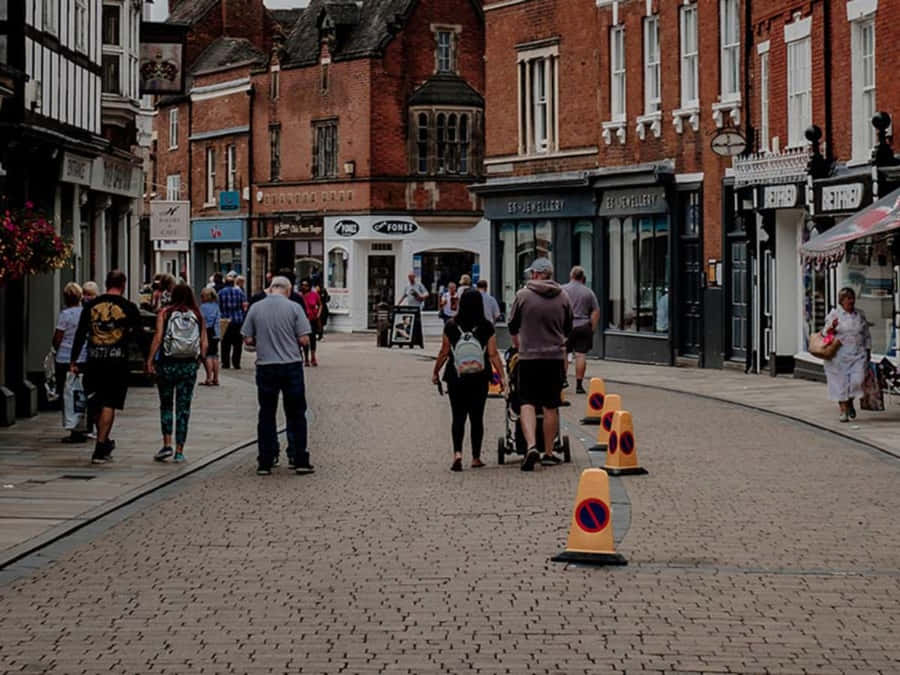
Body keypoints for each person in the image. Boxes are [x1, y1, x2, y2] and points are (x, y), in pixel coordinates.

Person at [242, 276, 314, 476]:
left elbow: (248, 339)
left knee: (266, 413)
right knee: (296, 413)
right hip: (290, 365)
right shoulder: (294, 308)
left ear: (270, 289)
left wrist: (261, 343)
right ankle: (299, 458)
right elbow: (304, 339)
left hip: (266, 365)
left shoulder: (256, 308)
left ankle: (266, 459)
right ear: (288, 290)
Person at [507, 258, 573, 471]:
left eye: (532, 273)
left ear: (536, 274)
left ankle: (531, 446)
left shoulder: (522, 296)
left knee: (526, 402)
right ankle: (548, 452)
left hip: (528, 358)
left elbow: (512, 325)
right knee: (551, 405)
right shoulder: (563, 296)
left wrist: (519, 343)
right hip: (553, 358)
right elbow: (568, 326)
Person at [70, 270, 141, 464]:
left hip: (93, 361)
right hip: (116, 363)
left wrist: (74, 360)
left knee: (95, 400)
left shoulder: (91, 306)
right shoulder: (129, 307)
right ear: (123, 284)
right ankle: (100, 447)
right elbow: (138, 336)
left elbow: (80, 334)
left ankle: (103, 439)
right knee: (109, 403)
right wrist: (148, 360)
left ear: (106, 282)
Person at [433, 289, 505, 472]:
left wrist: (435, 372)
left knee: (458, 417)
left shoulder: (451, 325)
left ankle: (457, 454)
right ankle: (476, 457)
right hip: (479, 377)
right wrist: (502, 376)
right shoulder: (486, 326)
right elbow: (493, 353)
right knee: (477, 417)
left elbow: (444, 351)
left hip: (456, 376)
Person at [146, 284, 207, 463]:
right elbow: (204, 343)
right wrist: (200, 362)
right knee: (183, 408)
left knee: (166, 405)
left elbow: (158, 337)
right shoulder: (197, 314)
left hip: (167, 365)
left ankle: (167, 444)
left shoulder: (165, 313)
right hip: (188, 366)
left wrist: (150, 360)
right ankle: (180, 450)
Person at [822, 287, 871, 423]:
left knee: (857, 381)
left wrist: (868, 350)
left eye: (852, 297)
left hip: (858, 354)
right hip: (839, 356)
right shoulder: (834, 314)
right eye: (848, 298)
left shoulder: (860, 314)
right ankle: (844, 411)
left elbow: (866, 334)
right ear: (841, 301)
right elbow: (825, 333)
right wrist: (832, 327)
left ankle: (849, 402)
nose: (851, 300)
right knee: (840, 385)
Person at [53, 282, 88, 443]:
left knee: (68, 394)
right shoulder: (85, 313)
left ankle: (74, 427)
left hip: (65, 358)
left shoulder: (65, 315)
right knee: (82, 393)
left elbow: (58, 338)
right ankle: (85, 425)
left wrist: (55, 347)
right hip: (83, 357)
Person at [562, 266, 600, 394]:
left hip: (566, 327)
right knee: (580, 355)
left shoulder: (562, 290)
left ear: (571, 276)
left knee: (563, 353)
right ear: (583, 278)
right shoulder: (588, 292)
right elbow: (595, 311)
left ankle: (563, 379)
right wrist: (592, 328)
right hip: (583, 326)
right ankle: (579, 385)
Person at [218, 271, 248, 369]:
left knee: (225, 343)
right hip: (237, 320)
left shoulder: (221, 293)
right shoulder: (239, 292)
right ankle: (236, 363)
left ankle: (225, 363)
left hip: (225, 320)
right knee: (237, 343)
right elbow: (244, 306)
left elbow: (219, 306)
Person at [199, 288, 221, 386]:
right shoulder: (216, 306)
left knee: (207, 355)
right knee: (215, 355)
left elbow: (200, 320)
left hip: (206, 331)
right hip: (215, 332)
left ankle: (209, 378)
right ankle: (216, 378)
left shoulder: (203, 307)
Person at [299, 278, 321, 367]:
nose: (304, 287)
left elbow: (320, 304)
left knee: (312, 339)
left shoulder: (314, 295)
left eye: (306, 285)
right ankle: (306, 359)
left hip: (312, 320)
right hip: (303, 320)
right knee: (305, 340)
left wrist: (318, 314)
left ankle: (313, 357)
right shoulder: (299, 296)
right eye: (303, 285)